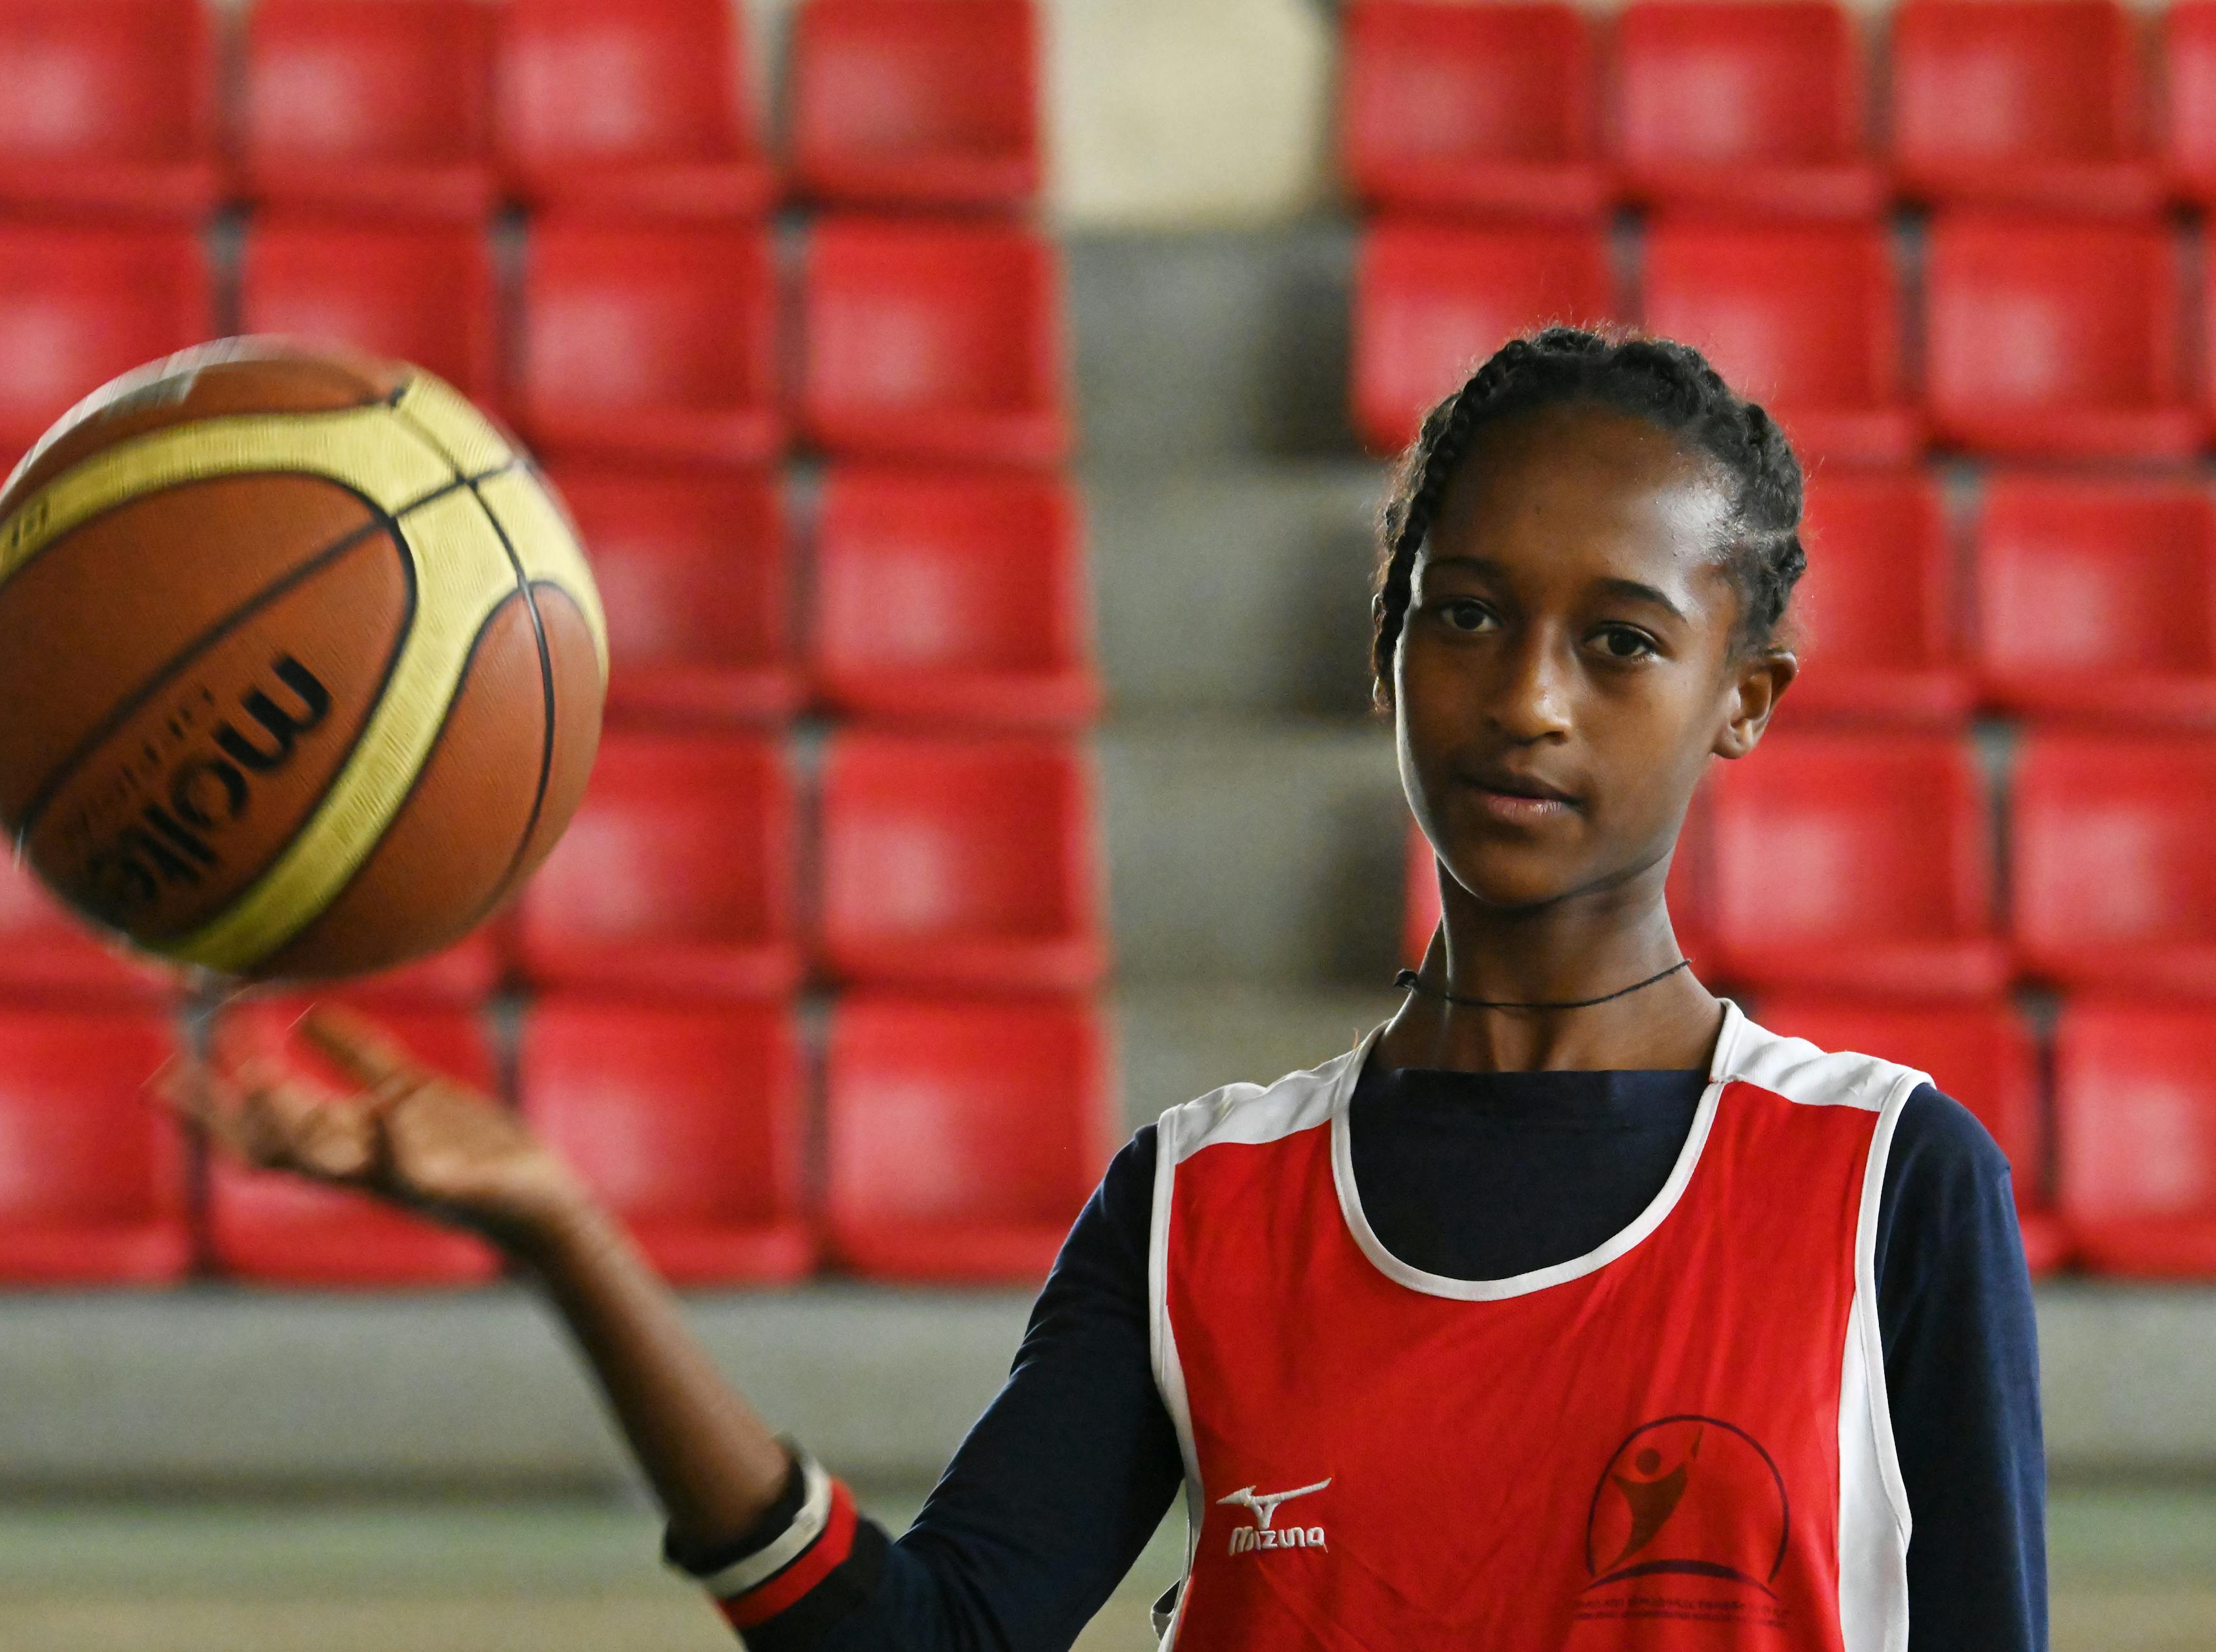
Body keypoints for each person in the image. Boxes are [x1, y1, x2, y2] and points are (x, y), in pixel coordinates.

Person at [162, 325, 2046, 1651]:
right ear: (1384, 641)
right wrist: (568, 1235)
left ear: (1746, 697)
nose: (1530, 694)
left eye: (1620, 641)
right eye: (1466, 611)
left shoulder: (1889, 1186)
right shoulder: (1203, 1204)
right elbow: (936, 1642)